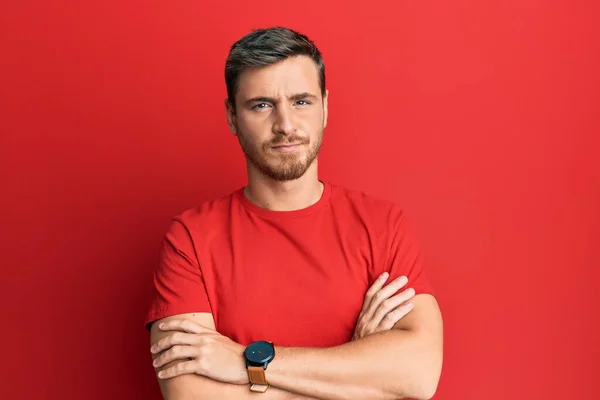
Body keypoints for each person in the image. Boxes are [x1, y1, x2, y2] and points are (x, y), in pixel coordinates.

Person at [145, 26, 443, 400]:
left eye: (301, 101)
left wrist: (245, 362)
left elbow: (420, 373)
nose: (285, 125)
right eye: (262, 105)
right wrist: (356, 374)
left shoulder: (381, 225)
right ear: (232, 116)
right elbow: (190, 395)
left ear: (325, 107)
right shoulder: (190, 237)